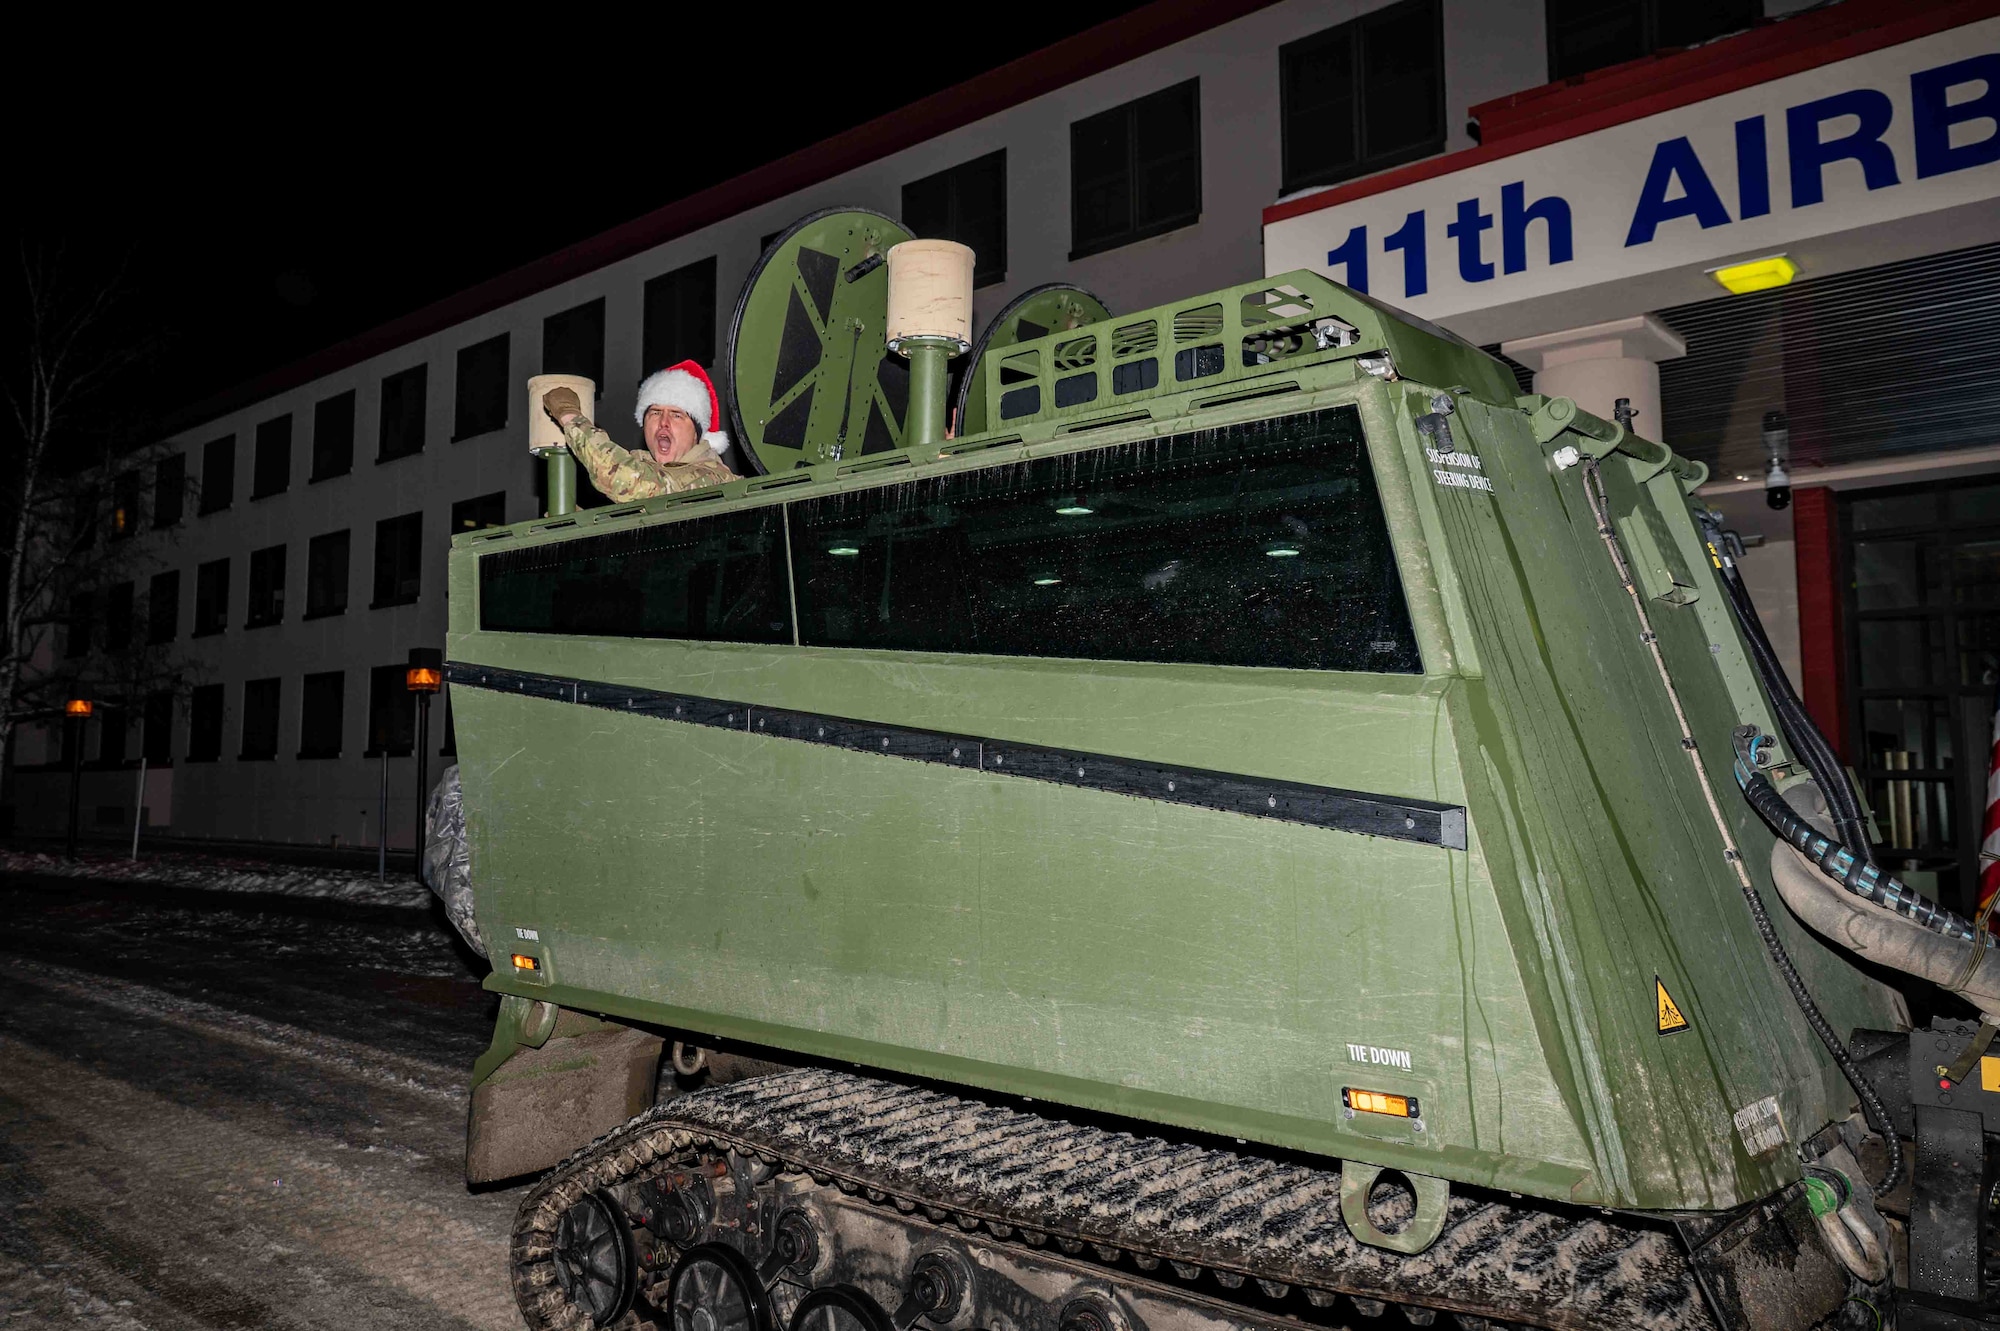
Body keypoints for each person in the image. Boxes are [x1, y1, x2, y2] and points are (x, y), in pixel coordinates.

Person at [541, 360, 739, 501]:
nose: (663, 422)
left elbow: (628, 481)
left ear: (697, 434)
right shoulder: (648, 469)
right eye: (654, 412)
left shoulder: (711, 479)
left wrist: (569, 415)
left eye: (677, 415)